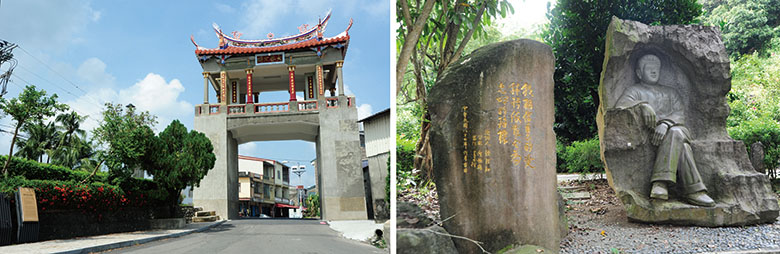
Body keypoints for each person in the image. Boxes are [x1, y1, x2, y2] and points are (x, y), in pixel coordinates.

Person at [615, 54, 715, 207]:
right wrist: (642, 105)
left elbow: (680, 114)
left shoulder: (670, 93)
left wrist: (666, 123)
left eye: (657, 68)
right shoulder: (634, 91)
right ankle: (695, 191)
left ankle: (660, 182)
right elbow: (619, 108)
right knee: (683, 146)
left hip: (677, 129)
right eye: (649, 68)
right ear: (639, 73)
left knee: (676, 132)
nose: (654, 71)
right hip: (654, 137)